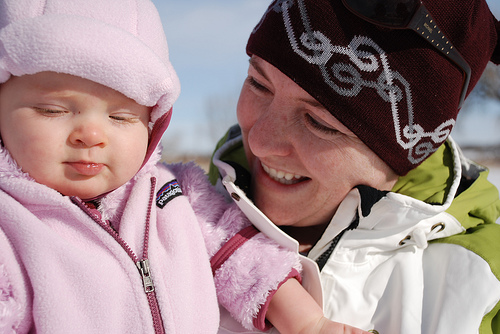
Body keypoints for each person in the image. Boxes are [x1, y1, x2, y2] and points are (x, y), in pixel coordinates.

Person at [0, 0, 371, 333]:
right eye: (53, 110)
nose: (92, 134)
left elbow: (244, 258)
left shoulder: (176, 194)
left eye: (121, 117)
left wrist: (308, 323)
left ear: (153, 125)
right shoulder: (10, 228)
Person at [209, 0, 500, 333]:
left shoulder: (484, 289)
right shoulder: (161, 218)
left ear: (406, 155)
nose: (261, 141)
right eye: (258, 84)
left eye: (319, 122)